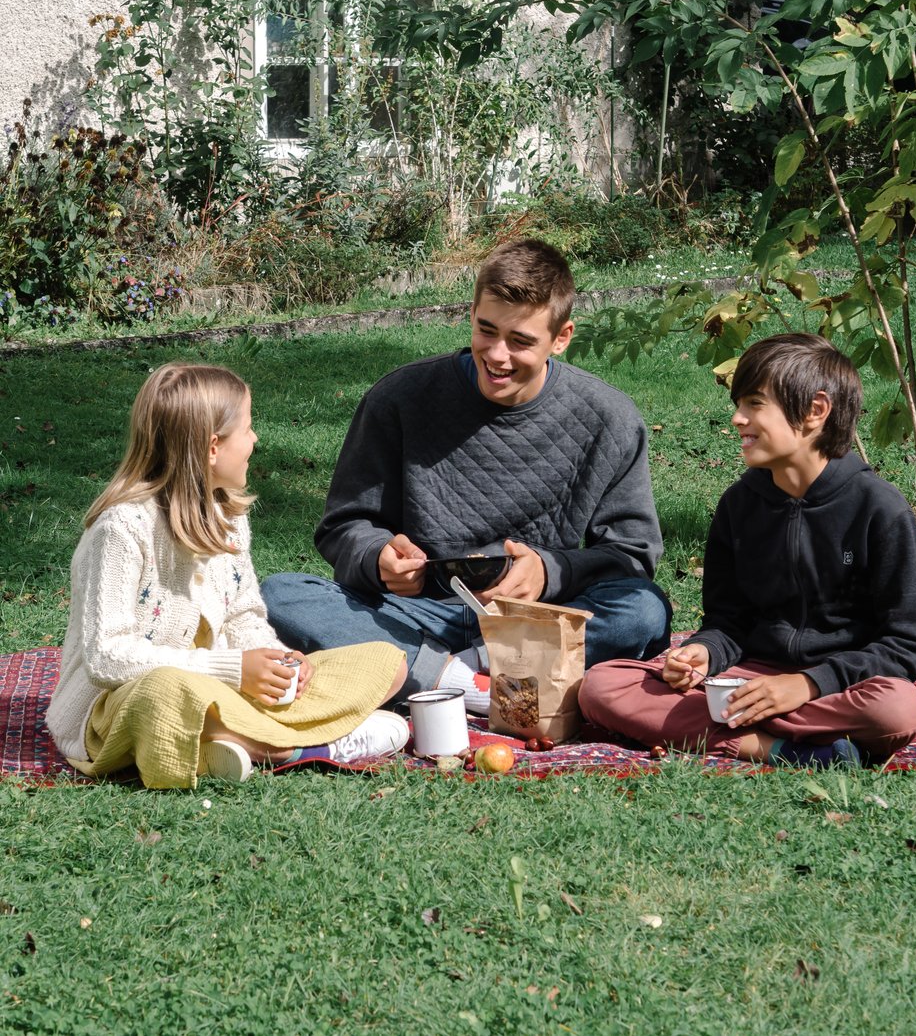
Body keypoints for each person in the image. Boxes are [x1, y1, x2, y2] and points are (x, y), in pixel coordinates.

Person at [262, 239, 672, 711]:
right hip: (417, 612)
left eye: (521, 341)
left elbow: (633, 554)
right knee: (281, 595)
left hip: (538, 619)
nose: (497, 355)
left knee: (642, 609)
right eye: (486, 330)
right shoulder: (399, 398)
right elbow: (344, 526)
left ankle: (431, 675)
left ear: (561, 338)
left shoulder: (609, 418)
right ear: (471, 312)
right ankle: (479, 682)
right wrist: (378, 558)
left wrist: (549, 571)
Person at [46, 362, 409, 789]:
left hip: (224, 692)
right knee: (168, 694)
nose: (255, 440)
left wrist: (278, 661)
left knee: (388, 663)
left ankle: (230, 744)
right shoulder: (121, 530)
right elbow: (106, 658)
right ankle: (309, 748)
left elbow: (244, 617)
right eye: (248, 429)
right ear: (212, 447)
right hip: (118, 706)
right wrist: (233, 670)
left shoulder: (228, 516)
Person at [578, 333, 916, 767]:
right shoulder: (738, 505)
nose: (737, 419)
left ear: (815, 411)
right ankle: (791, 750)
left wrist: (806, 684)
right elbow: (729, 622)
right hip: (747, 680)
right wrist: (704, 654)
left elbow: (907, 644)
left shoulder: (879, 510)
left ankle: (746, 729)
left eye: (754, 404)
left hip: (838, 687)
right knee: (601, 686)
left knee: (896, 709)